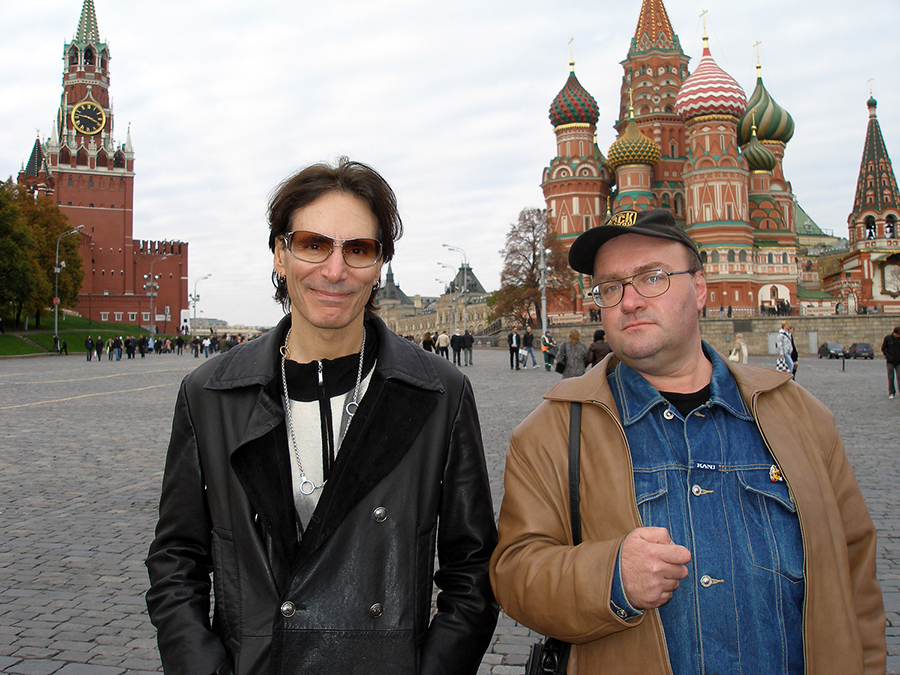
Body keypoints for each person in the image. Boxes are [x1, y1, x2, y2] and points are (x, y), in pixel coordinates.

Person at [490, 208, 886, 675]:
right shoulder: (551, 432)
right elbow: (515, 574)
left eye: (652, 277)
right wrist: (611, 577)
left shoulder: (799, 416)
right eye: (610, 287)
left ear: (699, 289)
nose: (630, 301)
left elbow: (854, 571)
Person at [146, 158, 498, 675]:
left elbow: (473, 569)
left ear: (378, 267)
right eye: (313, 244)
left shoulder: (439, 392)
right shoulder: (211, 393)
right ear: (279, 255)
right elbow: (176, 559)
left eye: (358, 249)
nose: (335, 270)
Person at [882, 325, 900, 399]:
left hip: (899, 362)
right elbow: (883, 348)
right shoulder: (887, 338)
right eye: (898, 334)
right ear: (894, 333)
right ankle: (891, 392)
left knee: (899, 377)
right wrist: (888, 357)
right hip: (890, 362)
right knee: (890, 378)